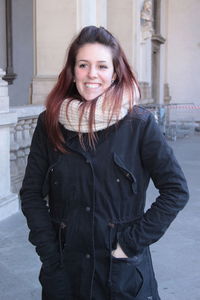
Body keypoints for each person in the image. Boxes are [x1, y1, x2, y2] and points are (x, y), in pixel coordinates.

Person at [20, 26, 189, 300]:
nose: (92, 74)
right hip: (65, 272)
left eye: (102, 66)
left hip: (122, 274)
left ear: (114, 72)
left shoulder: (139, 124)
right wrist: (50, 254)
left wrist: (129, 244)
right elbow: (31, 193)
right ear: (72, 72)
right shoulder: (50, 122)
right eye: (83, 65)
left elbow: (176, 190)